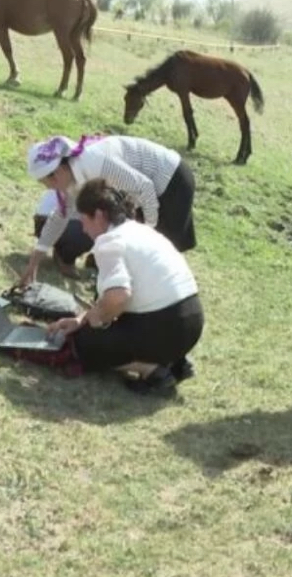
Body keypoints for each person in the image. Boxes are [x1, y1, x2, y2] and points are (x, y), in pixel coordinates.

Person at [45, 178, 205, 392]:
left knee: (82, 344)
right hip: (191, 322)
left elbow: (118, 297)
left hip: (165, 325)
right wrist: (80, 320)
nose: (83, 229)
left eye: (84, 220)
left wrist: (96, 322)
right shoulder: (141, 231)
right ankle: (174, 360)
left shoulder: (109, 242)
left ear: (99, 216)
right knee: (93, 329)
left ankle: (152, 369)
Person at [20, 133, 197, 286]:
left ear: (58, 172)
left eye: (49, 184)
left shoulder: (96, 163)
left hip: (171, 180)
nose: (50, 189)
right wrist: (35, 260)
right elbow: (60, 216)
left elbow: (145, 188)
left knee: (162, 247)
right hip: (141, 192)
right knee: (134, 248)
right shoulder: (72, 177)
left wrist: (146, 231)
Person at [33, 189, 96, 277]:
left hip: (44, 220)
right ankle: (65, 258)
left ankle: (63, 251)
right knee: (99, 228)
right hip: (51, 222)